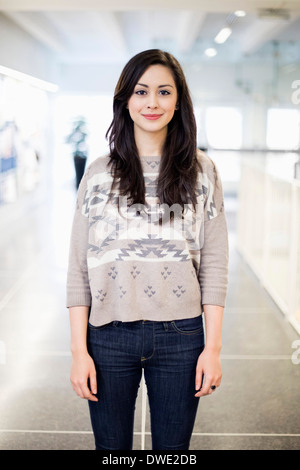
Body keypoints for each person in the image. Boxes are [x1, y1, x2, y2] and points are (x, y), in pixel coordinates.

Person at [66, 49, 228, 451]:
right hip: (106, 336)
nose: (152, 102)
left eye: (163, 91)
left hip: (181, 337)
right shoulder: (99, 172)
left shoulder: (202, 170)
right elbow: (78, 268)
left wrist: (213, 348)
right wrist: (77, 352)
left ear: (178, 101)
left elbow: (215, 265)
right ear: (125, 100)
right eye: (141, 91)